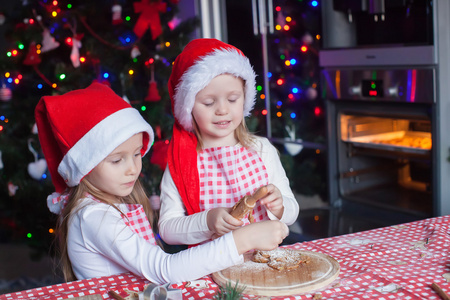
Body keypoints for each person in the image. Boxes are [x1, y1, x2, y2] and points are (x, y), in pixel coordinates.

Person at [35, 82, 289, 284]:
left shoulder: (106, 204)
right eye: (116, 160)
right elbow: (164, 269)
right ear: (84, 167)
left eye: (137, 154)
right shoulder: (93, 216)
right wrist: (242, 239)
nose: (133, 168)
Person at [158, 38, 299, 246]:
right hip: (210, 268)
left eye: (232, 99)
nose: (222, 110)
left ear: (244, 99)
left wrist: (280, 207)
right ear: (188, 107)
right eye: (208, 102)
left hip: (263, 265)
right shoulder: (182, 163)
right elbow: (167, 229)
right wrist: (207, 221)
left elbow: (292, 212)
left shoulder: (262, 151)